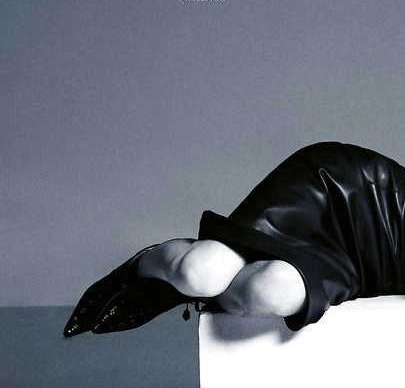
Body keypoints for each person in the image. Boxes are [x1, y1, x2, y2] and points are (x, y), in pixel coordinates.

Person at [63, 141, 405, 338]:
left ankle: (194, 288)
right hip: (345, 188)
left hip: (366, 268)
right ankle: (145, 266)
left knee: (271, 290)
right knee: (201, 271)